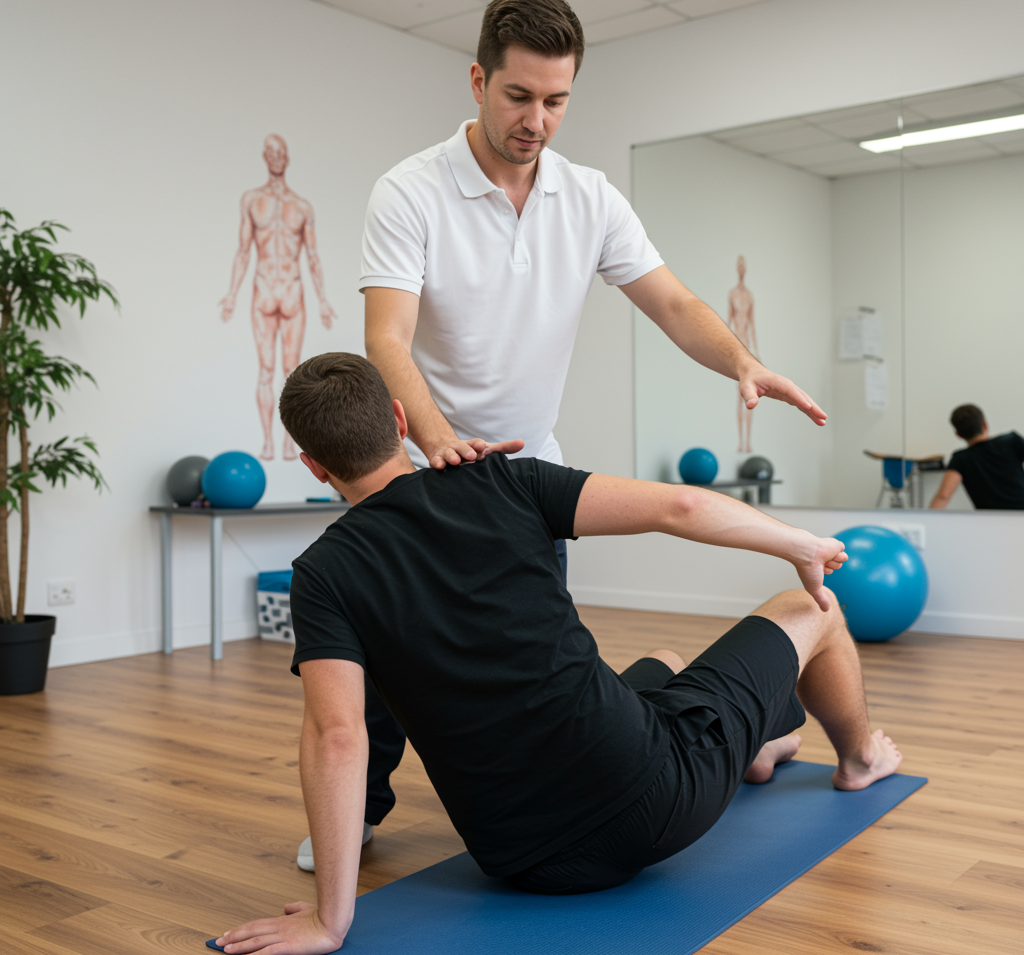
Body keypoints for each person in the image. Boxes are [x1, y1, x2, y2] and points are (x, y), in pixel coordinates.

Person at [349, 0, 829, 876]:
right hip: (427, 468)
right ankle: (359, 815)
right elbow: (387, 338)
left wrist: (742, 361)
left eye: (556, 100)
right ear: (478, 81)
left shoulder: (588, 197)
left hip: (532, 479)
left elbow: (674, 302)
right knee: (391, 659)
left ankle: (569, 791)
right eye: (518, 96)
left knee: (541, 659)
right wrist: (440, 439)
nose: (536, 120)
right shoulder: (410, 191)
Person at [214, 353, 902, 955]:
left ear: (313, 464)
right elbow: (682, 509)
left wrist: (331, 921)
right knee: (811, 609)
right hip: (656, 806)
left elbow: (337, 735)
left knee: (663, 659)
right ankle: (859, 761)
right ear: (400, 419)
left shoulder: (321, 574)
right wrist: (800, 545)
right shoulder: (504, 480)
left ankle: (755, 747)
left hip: (522, 860)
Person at [219, 134, 337, 461]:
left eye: (280, 153)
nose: (275, 158)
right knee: (266, 370)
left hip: (292, 290)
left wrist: (323, 300)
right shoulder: (251, 200)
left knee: (292, 372)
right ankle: (269, 442)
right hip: (264, 289)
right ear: (264, 157)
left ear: (286, 158)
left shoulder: (302, 206)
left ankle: (288, 441)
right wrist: (231, 294)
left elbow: (313, 256)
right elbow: (243, 251)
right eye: (270, 153)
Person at [929, 404, 1024, 509]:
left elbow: (943, 496)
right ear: (985, 424)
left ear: (958, 434)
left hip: (990, 518)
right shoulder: (1012, 441)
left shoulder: (960, 459)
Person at [727, 255, 760, 453]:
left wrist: (756, 353)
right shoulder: (732, 294)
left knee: (750, 397)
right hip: (735, 347)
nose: (741, 269)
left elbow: (752, 325)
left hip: (747, 347)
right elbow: (728, 321)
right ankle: (741, 442)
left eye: (743, 266)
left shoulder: (749, 296)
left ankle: (748, 443)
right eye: (738, 265)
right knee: (739, 396)